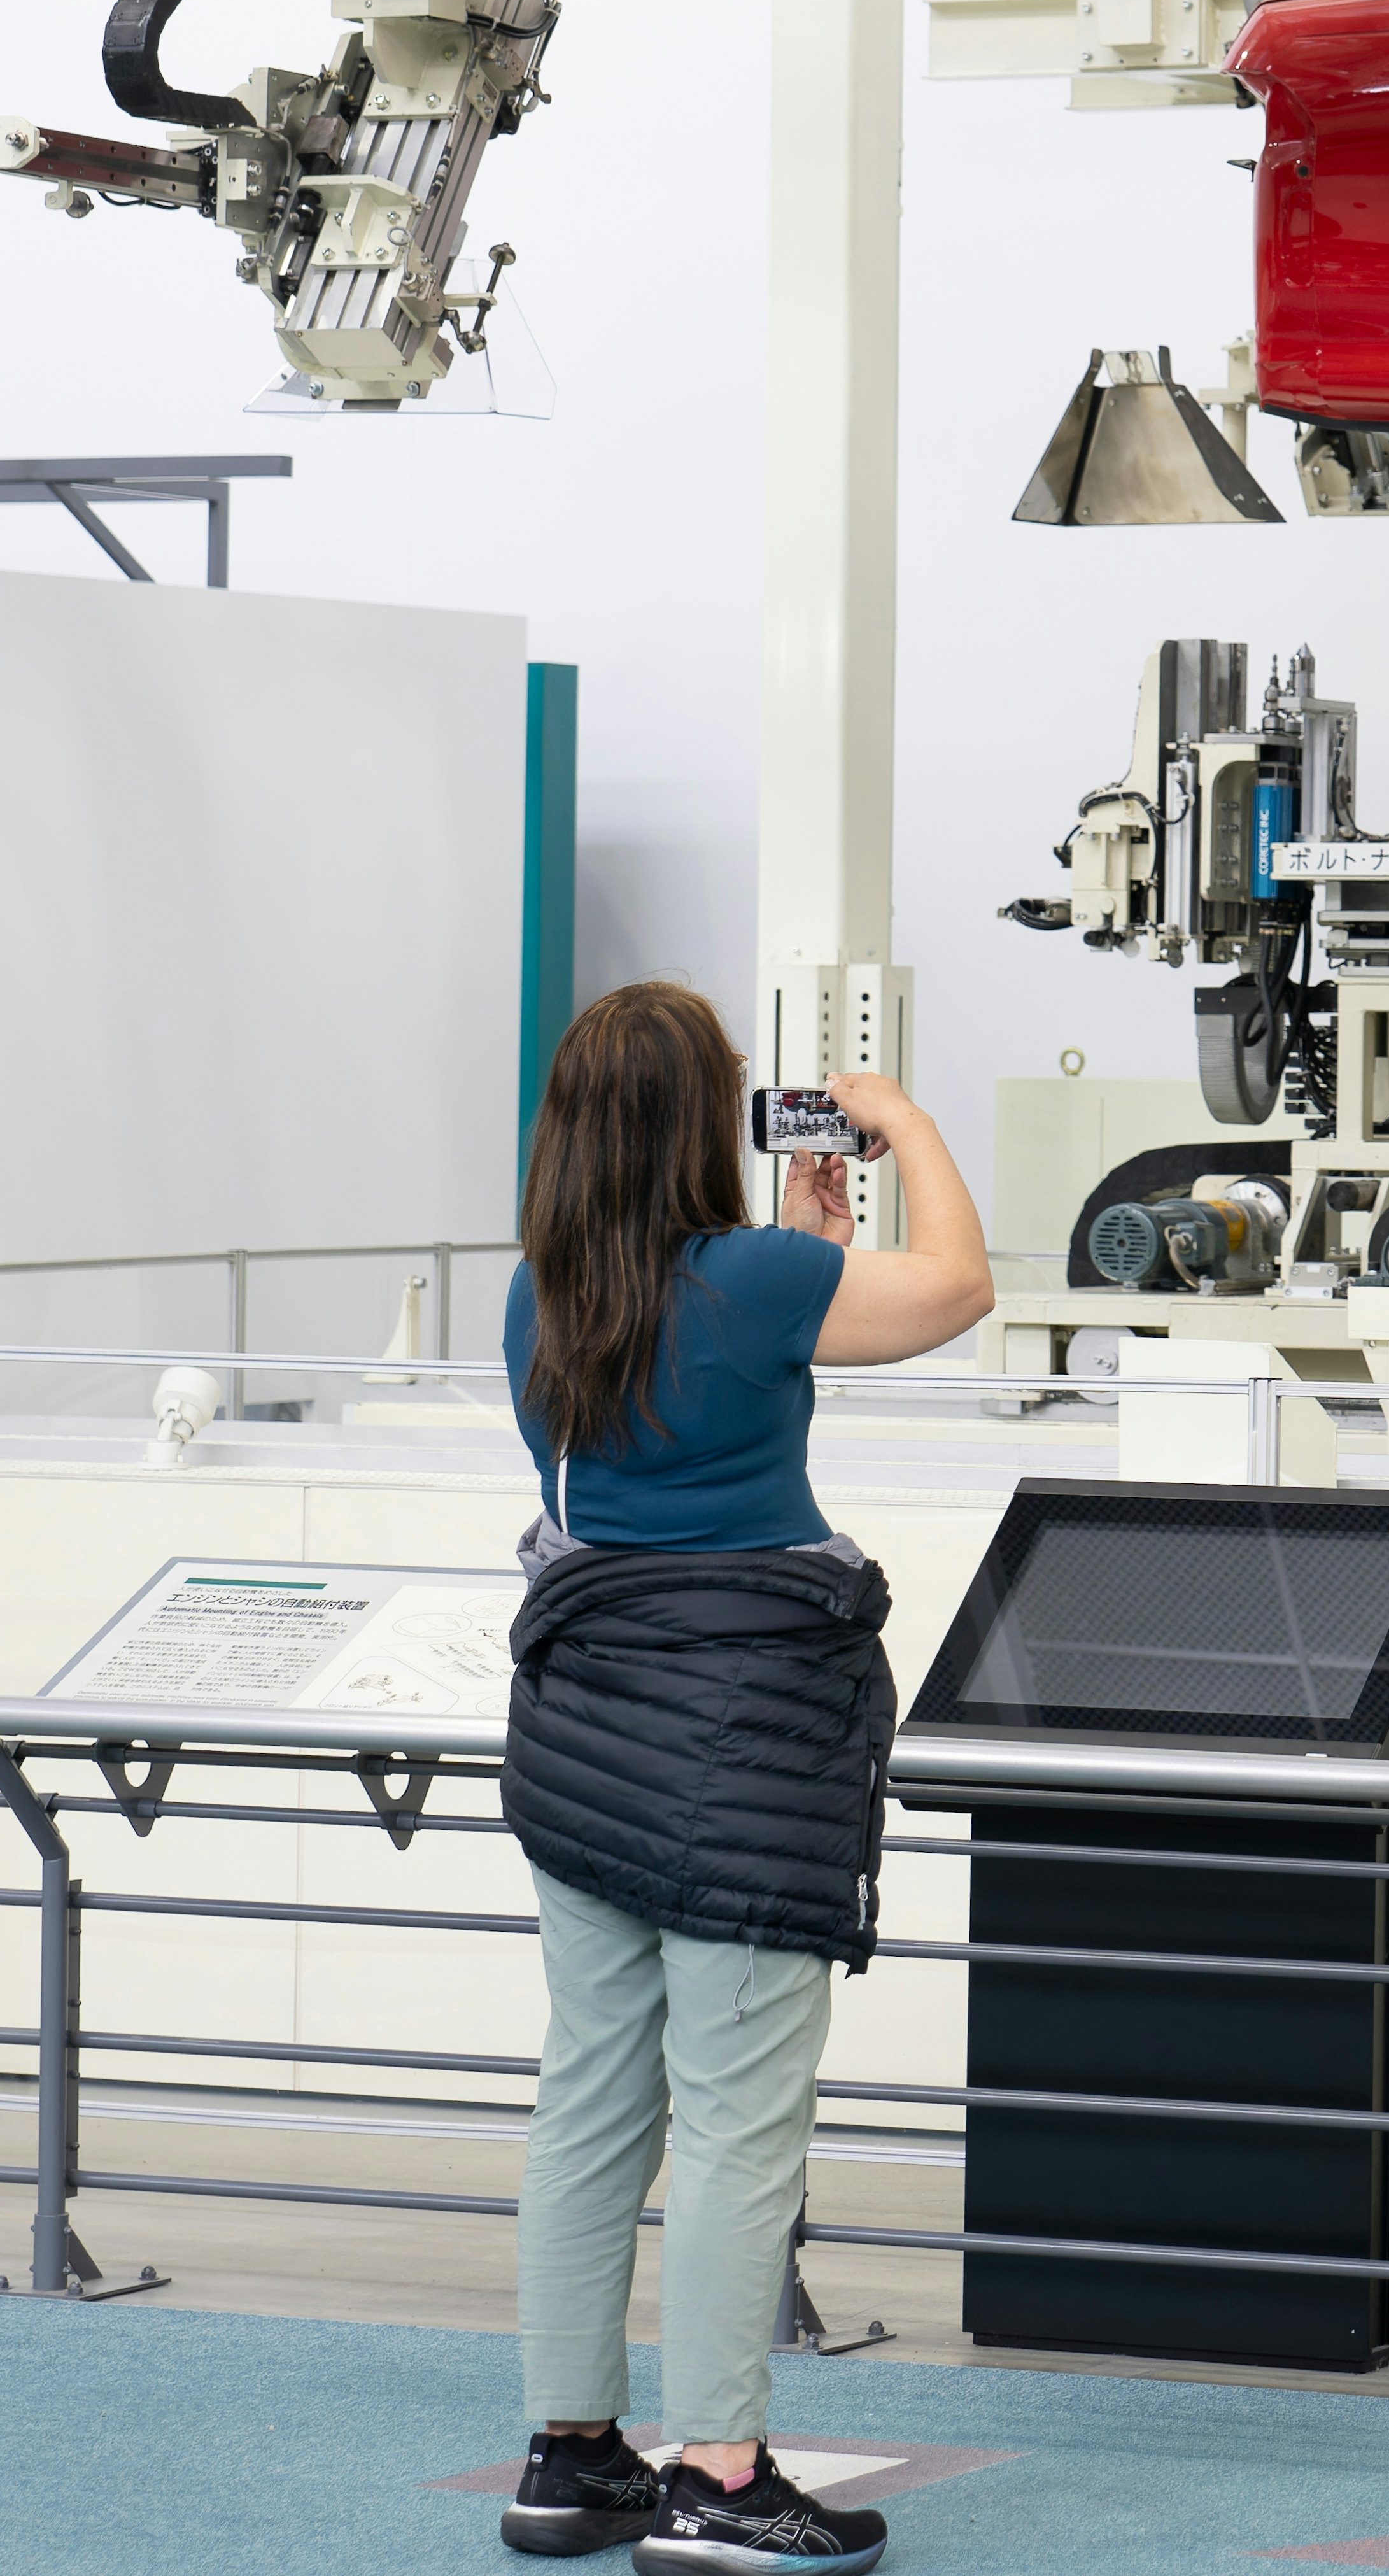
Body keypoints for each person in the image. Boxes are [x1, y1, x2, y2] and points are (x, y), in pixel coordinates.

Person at [487, 982, 991, 2571]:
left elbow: (668, 1417)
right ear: (703, 1115)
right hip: (749, 1741)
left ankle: (572, 2457)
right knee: (736, 2121)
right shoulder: (761, 1278)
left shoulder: (533, 1294)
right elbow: (963, 1288)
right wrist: (896, 1121)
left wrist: (807, 1237)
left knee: (590, 2099)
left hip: (586, 1734)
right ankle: (718, 2472)